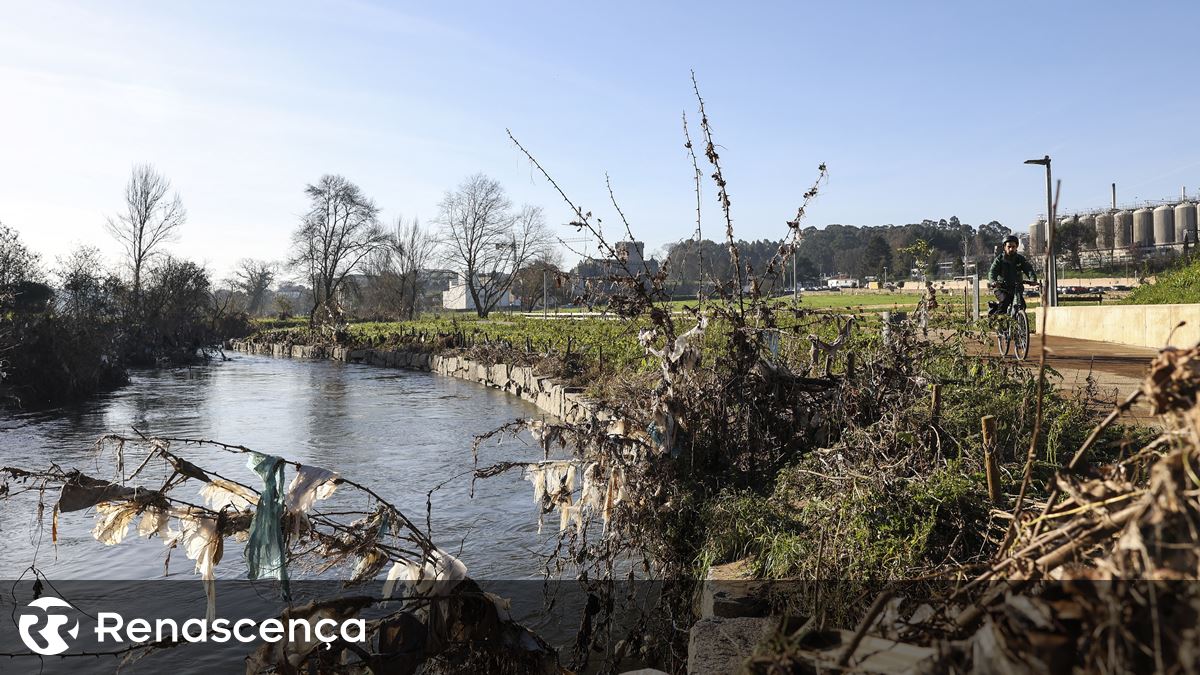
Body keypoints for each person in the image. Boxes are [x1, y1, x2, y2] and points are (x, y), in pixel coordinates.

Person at [987, 235, 1037, 316]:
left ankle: (1019, 323)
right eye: (1009, 247)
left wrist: (1033, 279)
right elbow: (992, 272)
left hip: (1016, 288)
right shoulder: (999, 260)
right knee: (1005, 301)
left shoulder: (1020, 259)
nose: (1011, 249)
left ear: (1016, 247)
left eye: (1013, 247)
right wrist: (993, 282)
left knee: (1022, 305)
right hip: (1001, 288)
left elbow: (1029, 270)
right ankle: (999, 322)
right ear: (1004, 247)